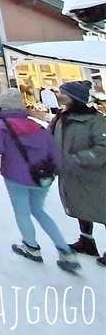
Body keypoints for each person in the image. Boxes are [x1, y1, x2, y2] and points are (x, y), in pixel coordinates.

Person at [0, 88, 80, 273]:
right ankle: (65, 251)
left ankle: (31, 247)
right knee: (39, 211)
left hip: (15, 176)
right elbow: (53, 150)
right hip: (41, 176)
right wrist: (55, 171)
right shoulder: (36, 126)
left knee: (22, 212)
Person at [48, 80, 106, 267]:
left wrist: (76, 159)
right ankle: (87, 241)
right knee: (81, 207)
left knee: (102, 209)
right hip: (72, 175)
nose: (61, 97)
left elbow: (103, 148)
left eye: (65, 94)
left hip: (95, 176)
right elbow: (49, 138)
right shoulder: (61, 118)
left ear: (75, 98)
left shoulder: (96, 121)